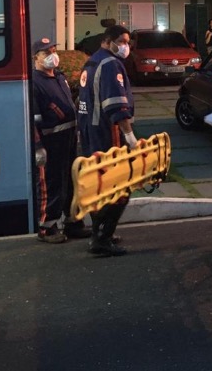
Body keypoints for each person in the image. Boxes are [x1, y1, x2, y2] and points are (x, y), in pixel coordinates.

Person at [77, 25, 140, 257]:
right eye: (122, 41)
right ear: (107, 41)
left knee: (99, 187)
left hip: (89, 134)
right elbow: (116, 106)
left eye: (128, 42)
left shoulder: (92, 61)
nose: (126, 46)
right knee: (120, 189)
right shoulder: (111, 64)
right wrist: (130, 136)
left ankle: (99, 234)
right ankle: (103, 239)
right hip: (106, 134)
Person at [31, 37, 90, 244]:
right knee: (52, 184)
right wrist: (38, 147)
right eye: (46, 53)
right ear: (35, 58)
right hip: (50, 143)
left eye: (54, 51)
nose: (52, 56)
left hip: (69, 139)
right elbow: (33, 120)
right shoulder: (34, 83)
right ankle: (47, 228)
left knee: (73, 182)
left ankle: (73, 222)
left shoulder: (59, 77)